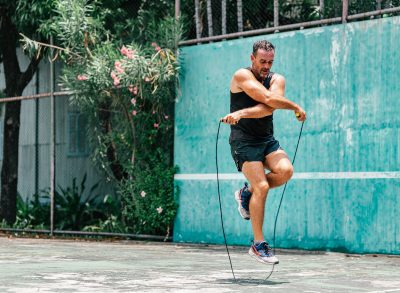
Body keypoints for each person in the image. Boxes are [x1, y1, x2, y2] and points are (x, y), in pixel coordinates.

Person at [221, 40, 306, 265]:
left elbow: (270, 105)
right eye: (262, 61)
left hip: (266, 139)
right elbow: (269, 99)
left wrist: (242, 112)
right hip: (243, 141)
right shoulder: (242, 76)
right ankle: (258, 244)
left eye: (270, 62)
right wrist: (295, 107)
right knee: (262, 186)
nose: (266, 66)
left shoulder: (277, 79)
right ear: (252, 59)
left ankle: (246, 194)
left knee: (286, 171)